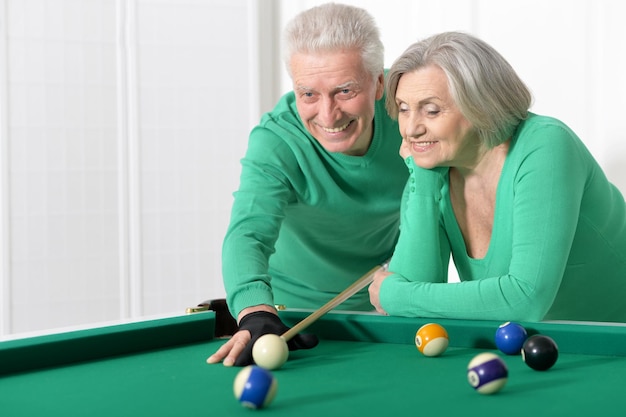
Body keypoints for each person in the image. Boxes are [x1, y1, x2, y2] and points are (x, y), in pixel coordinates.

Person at [369, 31, 626, 323]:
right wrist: (424, 182)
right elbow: (410, 309)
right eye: (403, 110)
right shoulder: (432, 171)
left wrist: (395, 294)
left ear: (479, 106)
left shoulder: (546, 146)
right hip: (532, 355)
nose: (411, 129)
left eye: (431, 110)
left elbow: (526, 299)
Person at [207, 3, 408, 367]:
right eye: (308, 94)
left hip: (387, 309)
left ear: (379, 83)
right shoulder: (277, 140)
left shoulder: (410, 110)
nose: (328, 115)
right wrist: (255, 312)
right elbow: (247, 234)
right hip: (289, 318)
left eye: (345, 91)